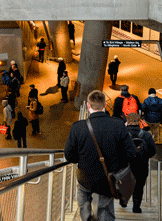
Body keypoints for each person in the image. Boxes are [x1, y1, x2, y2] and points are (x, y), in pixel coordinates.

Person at [64, 90, 137, 221]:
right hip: (108, 178)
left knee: (83, 197)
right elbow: (131, 153)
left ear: (88, 105)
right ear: (104, 105)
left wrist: (82, 158)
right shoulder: (118, 124)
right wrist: (116, 161)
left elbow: (69, 156)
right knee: (105, 207)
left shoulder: (77, 127)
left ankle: (86, 216)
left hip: (85, 176)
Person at [125, 113, 156, 213]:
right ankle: (136, 207)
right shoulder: (146, 135)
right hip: (141, 165)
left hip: (126, 166)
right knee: (139, 186)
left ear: (127, 121)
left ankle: (123, 201)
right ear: (139, 121)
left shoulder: (123, 133)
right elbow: (153, 151)